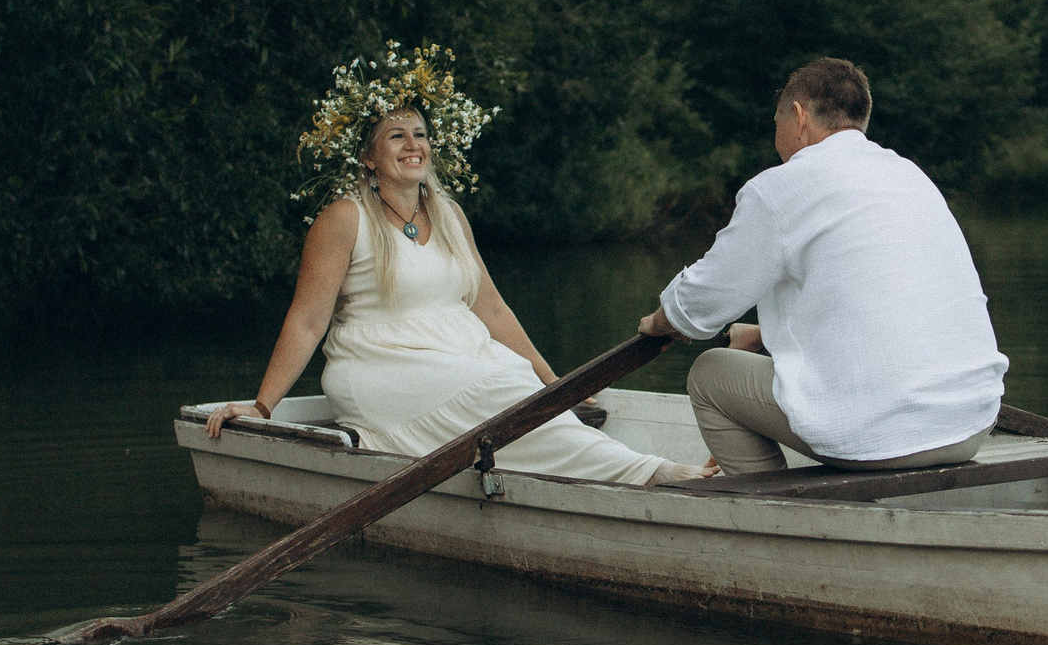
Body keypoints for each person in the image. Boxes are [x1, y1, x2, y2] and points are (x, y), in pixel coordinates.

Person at [210, 43, 710, 486]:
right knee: (502, 388)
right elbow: (307, 320)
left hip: (461, 360)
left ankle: (615, 465)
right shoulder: (344, 219)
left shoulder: (448, 215)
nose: (414, 146)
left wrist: (555, 385)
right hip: (380, 368)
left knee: (517, 382)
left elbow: (491, 310)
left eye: (420, 134)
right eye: (396, 136)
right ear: (367, 157)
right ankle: (648, 472)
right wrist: (262, 406)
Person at [638, 58, 1006, 475]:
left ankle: (772, 518)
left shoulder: (781, 188)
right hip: (971, 423)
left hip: (884, 436)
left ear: (797, 117)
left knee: (709, 375)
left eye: (776, 124)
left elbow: (698, 306)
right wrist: (765, 336)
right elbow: (883, 301)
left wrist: (657, 322)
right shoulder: (909, 175)